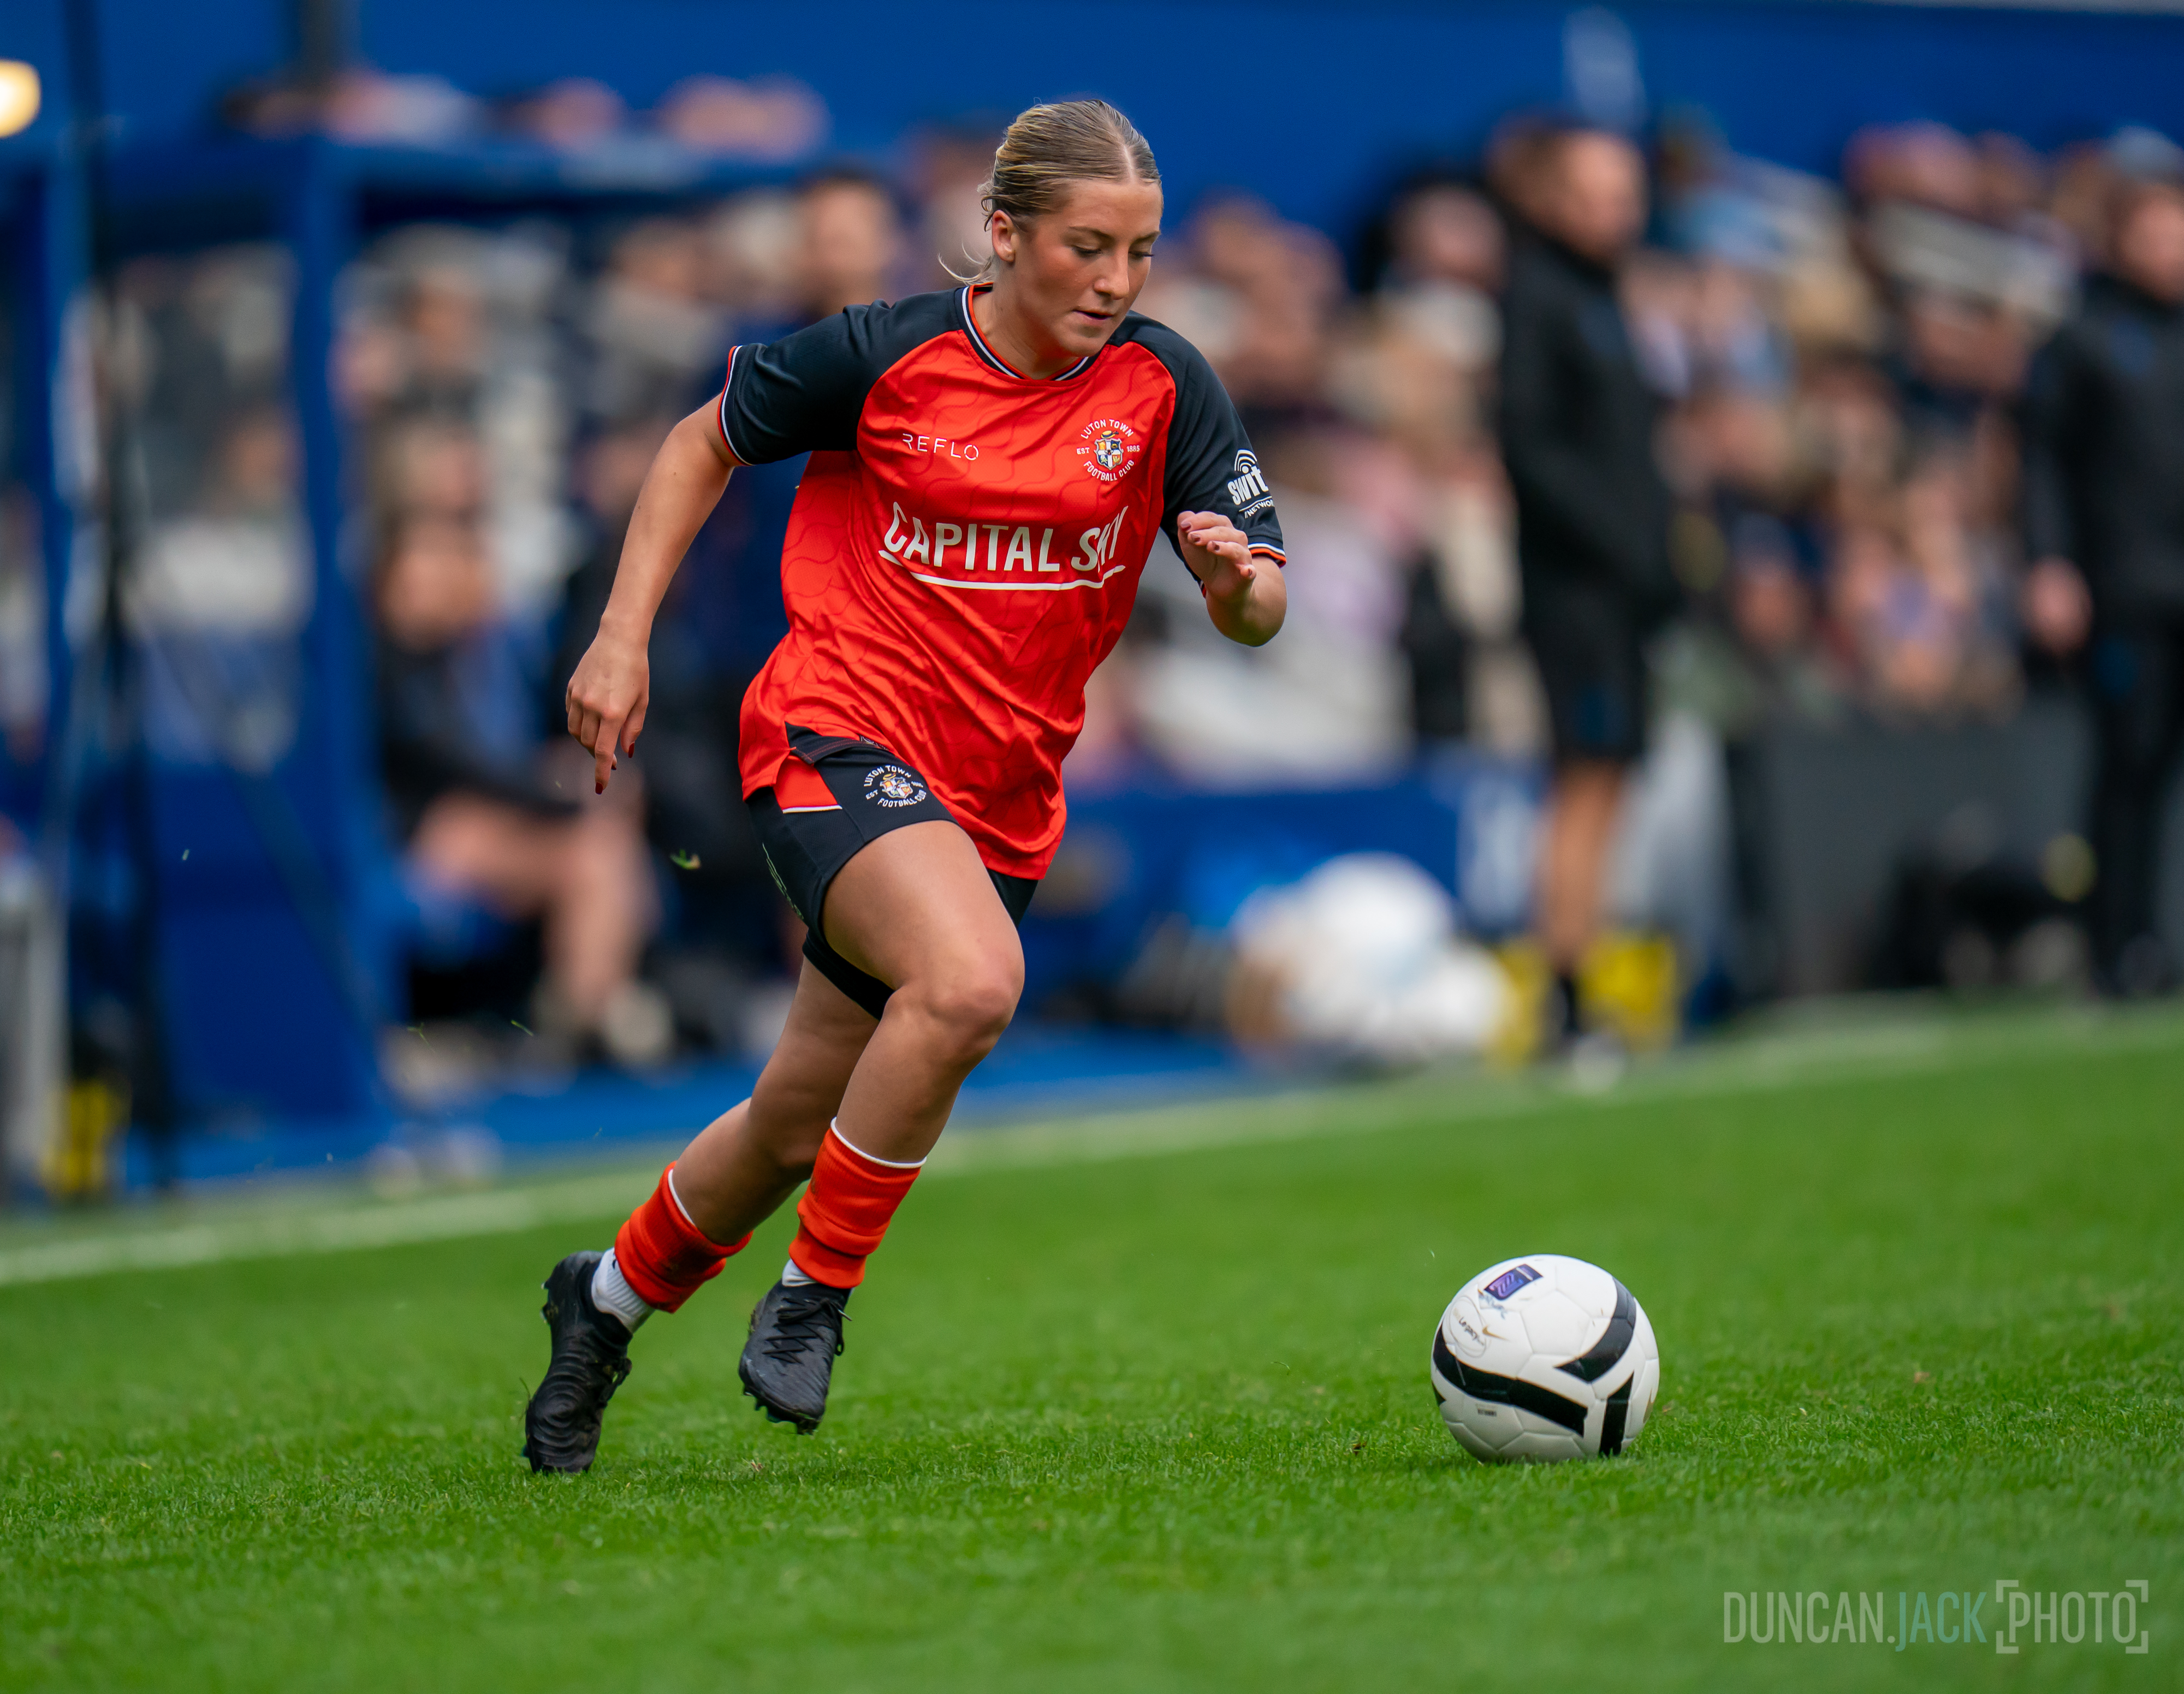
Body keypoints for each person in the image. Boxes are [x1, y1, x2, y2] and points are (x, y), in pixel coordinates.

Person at [521, 99, 1288, 1472]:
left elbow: (1260, 606)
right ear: (1000, 236)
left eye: (1141, 252)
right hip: (832, 738)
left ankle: (606, 1300)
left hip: (997, 802)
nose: (1114, 282)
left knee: (790, 1119)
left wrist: (1238, 588)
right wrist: (621, 632)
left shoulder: (1164, 387)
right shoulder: (884, 353)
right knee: (975, 983)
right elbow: (697, 444)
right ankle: (812, 1299)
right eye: (1084, 246)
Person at [1496, 126, 1677, 1047]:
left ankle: (1584, 975)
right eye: (1600, 193)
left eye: (1628, 193)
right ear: (1556, 199)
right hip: (1577, 593)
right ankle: (1564, 992)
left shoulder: (1607, 298)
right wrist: (1624, 549)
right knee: (1583, 779)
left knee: (1609, 782)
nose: (1620, 211)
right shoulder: (1541, 296)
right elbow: (1532, 450)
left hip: (1622, 592)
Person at [2020, 147, 2184, 997]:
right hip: (2126, 588)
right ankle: (2119, 945)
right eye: (2151, 231)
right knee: (2131, 767)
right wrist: (2050, 564)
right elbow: (2042, 462)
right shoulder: (2082, 339)